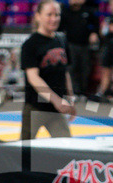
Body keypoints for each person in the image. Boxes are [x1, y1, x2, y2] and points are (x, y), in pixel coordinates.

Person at [20, 0, 75, 140]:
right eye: (49, 14)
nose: (54, 18)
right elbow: (33, 78)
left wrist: (70, 98)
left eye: (57, 14)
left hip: (56, 110)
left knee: (66, 147)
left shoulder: (61, 39)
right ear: (38, 16)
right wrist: (56, 100)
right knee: (24, 151)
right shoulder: (30, 44)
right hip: (36, 107)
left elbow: (65, 72)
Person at [61, 0, 98, 98]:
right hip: (70, 44)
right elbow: (60, 27)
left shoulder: (88, 11)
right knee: (72, 68)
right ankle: (74, 92)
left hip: (85, 44)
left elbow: (96, 25)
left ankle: (83, 92)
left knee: (85, 69)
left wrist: (94, 33)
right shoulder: (65, 11)